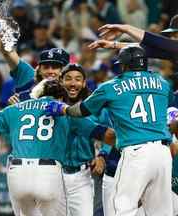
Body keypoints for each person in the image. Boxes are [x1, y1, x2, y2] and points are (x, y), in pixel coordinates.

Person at [46, 45, 173, 215]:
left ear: (125, 65)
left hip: (135, 152)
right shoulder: (163, 83)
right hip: (163, 153)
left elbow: (82, 110)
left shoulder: (111, 86)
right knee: (161, 211)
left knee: (121, 207)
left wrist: (64, 110)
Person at [0, 79, 115, 216]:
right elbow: (105, 134)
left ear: (37, 94)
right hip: (48, 172)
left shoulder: (15, 108)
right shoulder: (63, 110)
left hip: (17, 174)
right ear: (61, 97)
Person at [58, 63, 113, 216]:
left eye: (77, 79)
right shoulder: (51, 106)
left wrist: (102, 155)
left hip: (82, 175)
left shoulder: (94, 108)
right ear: (61, 81)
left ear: (83, 83)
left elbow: (110, 135)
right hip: (54, 174)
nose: (73, 83)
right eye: (68, 79)